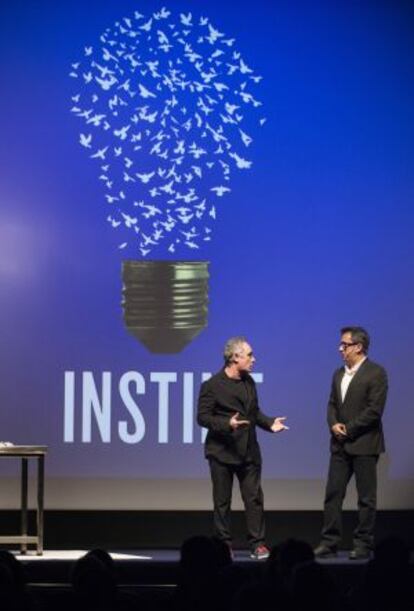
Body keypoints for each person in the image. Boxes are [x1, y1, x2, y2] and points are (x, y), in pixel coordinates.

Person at [197, 336, 288, 560]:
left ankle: (257, 544)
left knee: (254, 498)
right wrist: (226, 424)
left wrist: (269, 423)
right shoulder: (212, 385)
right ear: (235, 357)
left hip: (248, 452)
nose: (253, 359)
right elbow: (203, 417)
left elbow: (253, 413)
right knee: (222, 501)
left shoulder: (249, 382)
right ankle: (223, 546)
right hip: (222, 452)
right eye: (249, 355)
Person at [314, 326, 388, 560]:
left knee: (366, 497)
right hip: (339, 445)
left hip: (365, 444)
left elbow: (374, 411)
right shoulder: (338, 373)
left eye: (344, 345)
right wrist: (333, 424)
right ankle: (330, 542)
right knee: (333, 494)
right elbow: (331, 404)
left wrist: (349, 429)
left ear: (358, 346)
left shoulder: (376, 373)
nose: (340, 349)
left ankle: (363, 544)